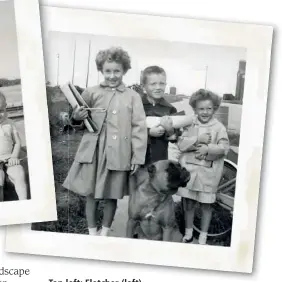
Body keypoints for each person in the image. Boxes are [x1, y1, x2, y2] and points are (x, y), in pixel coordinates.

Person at [62, 47, 147, 236]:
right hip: (94, 152)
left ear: (124, 70)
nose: (112, 75)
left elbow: (139, 128)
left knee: (112, 195)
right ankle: (92, 233)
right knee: (91, 195)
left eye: (117, 71)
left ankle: (105, 233)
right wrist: (76, 117)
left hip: (119, 153)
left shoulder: (133, 97)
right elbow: (78, 122)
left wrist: (137, 157)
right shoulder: (91, 93)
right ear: (101, 70)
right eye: (108, 71)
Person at [177, 89, 229, 245]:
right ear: (195, 109)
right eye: (201, 109)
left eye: (209, 108)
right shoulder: (190, 124)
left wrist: (209, 149)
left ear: (214, 109)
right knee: (188, 203)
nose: (205, 112)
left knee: (206, 206)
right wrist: (196, 140)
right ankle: (188, 233)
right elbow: (181, 144)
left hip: (208, 174)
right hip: (190, 173)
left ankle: (203, 236)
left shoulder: (219, 127)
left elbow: (224, 148)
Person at [141, 65, 179, 164]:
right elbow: (126, 129)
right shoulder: (136, 106)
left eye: (162, 83)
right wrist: (148, 132)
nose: (158, 87)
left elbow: (175, 139)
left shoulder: (170, 109)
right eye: (153, 84)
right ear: (143, 86)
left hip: (159, 161)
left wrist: (170, 130)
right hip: (137, 160)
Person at [0, 91, 27, 201]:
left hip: (10, 159)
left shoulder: (9, 123)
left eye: (1, 110)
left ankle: (24, 203)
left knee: (19, 174)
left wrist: (14, 156)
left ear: (5, 107)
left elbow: (17, 142)